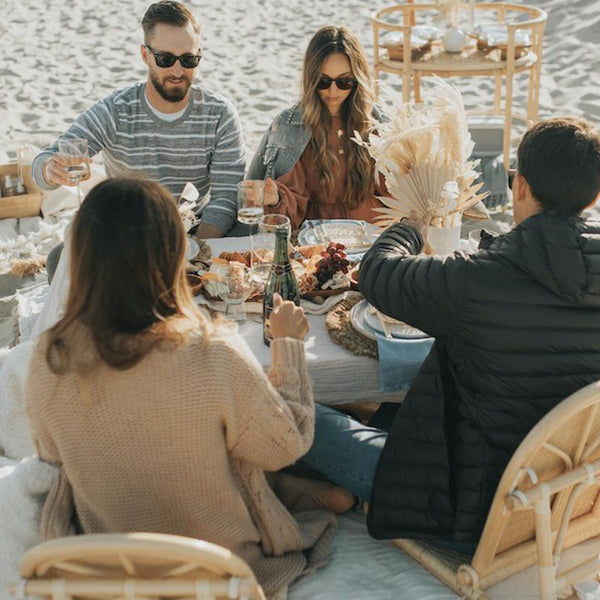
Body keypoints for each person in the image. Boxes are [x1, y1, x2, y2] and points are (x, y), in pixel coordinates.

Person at [25, 177, 353, 595]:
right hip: (215, 573)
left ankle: (290, 491)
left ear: (82, 257)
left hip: (110, 574)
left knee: (189, 446)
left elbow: (52, 458)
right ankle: (289, 492)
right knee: (233, 442)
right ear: (172, 254)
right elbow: (286, 444)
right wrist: (288, 345)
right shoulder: (210, 352)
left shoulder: (48, 360)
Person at [298, 117, 600, 546]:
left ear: (520, 187)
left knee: (298, 409)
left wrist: (408, 228)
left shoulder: (482, 281)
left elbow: (378, 274)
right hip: (565, 500)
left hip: (469, 509)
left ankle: (295, 488)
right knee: (381, 410)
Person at [32, 0, 245, 239]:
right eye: (165, 59)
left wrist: (197, 249)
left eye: (188, 60)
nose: (177, 71)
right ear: (145, 55)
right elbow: (43, 161)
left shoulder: (220, 115)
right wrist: (50, 170)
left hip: (195, 230)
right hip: (128, 234)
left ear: (199, 56)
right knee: (58, 258)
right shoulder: (116, 111)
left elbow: (227, 196)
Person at [247, 26, 387, 230]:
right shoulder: (291, 125)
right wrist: (276, 198)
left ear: (357, 80)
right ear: (310, 79)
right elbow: (287, 210)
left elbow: (397, 198)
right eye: (323, 81)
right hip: (313, 240)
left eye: (344, 81)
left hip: (370, 237)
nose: (333, 90)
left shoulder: (378, 124)